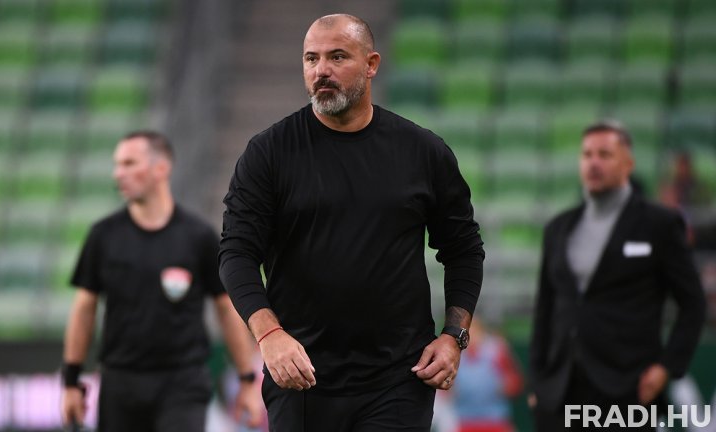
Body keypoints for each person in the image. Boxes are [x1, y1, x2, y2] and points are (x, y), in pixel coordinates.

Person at [219, 13, 485, 431]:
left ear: (371, 64)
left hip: (398, 379)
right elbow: (236, 254)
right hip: (300, 375)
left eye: (338, 57)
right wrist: (269, 336)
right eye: (311, 59)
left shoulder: (422, 152)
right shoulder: (268, 153)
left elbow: (464, 249)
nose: (321, 70)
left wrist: (454, 336)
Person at [61, 130, 264, 431]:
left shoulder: (198, 236)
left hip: (183, 382)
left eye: (129, 163)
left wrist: (247, 379)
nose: (118, 173)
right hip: (121, 384)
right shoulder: (103, 236)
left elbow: (225, 308)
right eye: (117, 164)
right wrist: (70, 381)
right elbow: (84, 309)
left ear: (161, 168)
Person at [529, 120, 706, 431]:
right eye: (587, 154)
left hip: (628, 388)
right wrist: (538, 381)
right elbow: (545, 308)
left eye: (605, 154)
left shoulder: (659, 224)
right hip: (560, 392)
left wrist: (667, 366)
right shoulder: (558, 228)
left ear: (628, 163)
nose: (594, 162)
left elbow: (693, 303)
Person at [449, 318, 523, 432]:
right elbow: (445, 389)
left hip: (496, 420)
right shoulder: (455, 355)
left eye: (474, 331)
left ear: (481, 332)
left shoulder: (496, 351)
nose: (471, 337)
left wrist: (502, 387)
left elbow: (515, 383)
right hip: (465, 421)